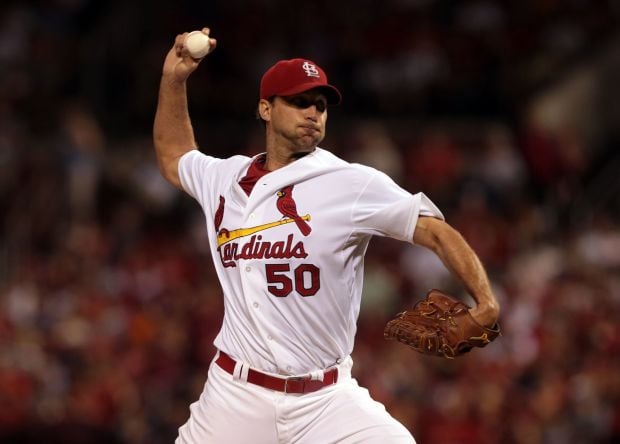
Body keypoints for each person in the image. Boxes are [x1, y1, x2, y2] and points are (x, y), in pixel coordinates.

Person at [153, 28, 500, 444]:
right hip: (234, 396)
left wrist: (487, 301)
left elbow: (436, 232)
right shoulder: (225, 178)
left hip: (325, 401)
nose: (313, 112)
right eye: (299, 102)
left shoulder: (349, 182)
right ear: (265, 108)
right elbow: (175, 158)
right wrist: (174, 80)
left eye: (319, 105)